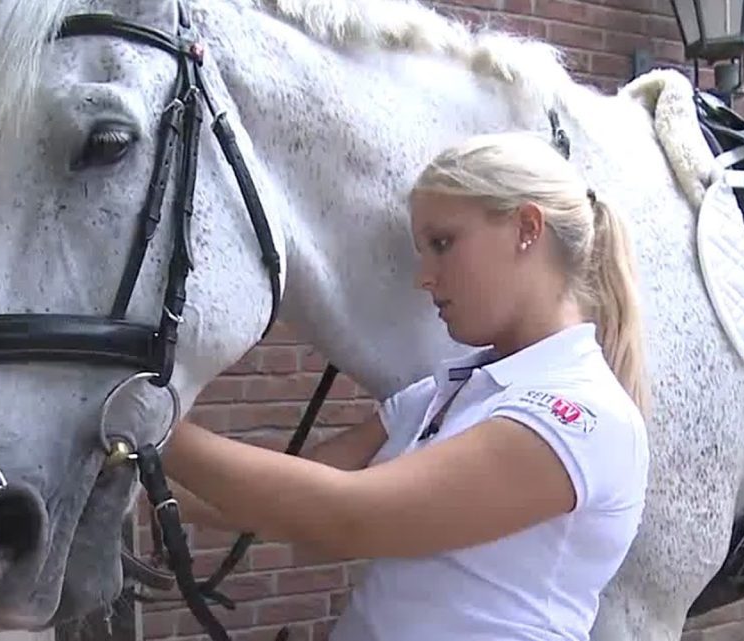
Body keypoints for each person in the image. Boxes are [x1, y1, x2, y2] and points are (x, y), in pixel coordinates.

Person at [158, 130, 651, 640]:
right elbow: (296, 495)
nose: (425, 277)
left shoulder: (577, 412)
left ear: (526, 228)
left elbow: (350, 517)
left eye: (443, 244)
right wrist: (134, 485)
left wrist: (153, 423)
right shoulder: (451, 390)